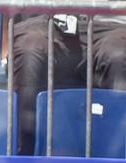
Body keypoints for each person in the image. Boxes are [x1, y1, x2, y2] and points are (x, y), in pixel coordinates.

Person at [12, 13, 126, 155]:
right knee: (30, 50)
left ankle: (118, 160)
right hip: (43, 17)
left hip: (110, 22)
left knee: (118, 55)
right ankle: (24, 159)